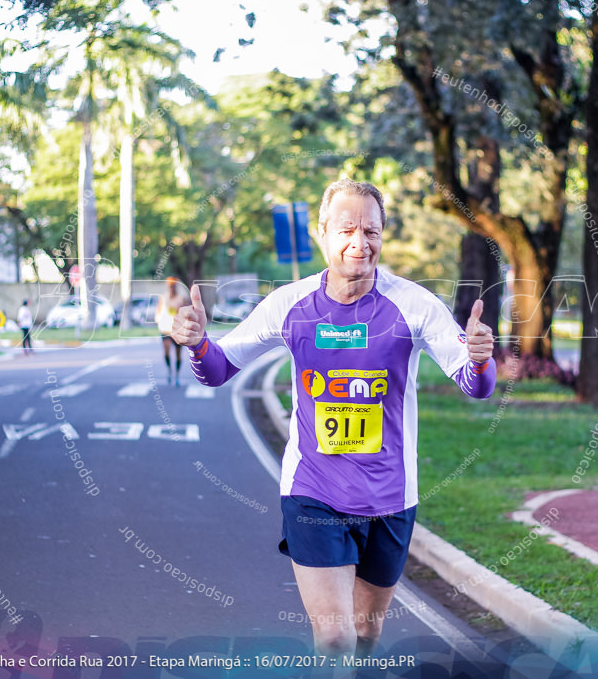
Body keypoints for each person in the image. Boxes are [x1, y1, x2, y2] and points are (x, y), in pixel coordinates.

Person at [172, 179, 496, 659]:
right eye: (346, 229)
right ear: (322, 232)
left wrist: (480, 360)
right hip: (314, 492)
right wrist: (199, 343)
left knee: (364, 638)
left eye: (371, 230)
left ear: (384, 235)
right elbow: (219, 369)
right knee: (336, 640)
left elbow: (475, 386)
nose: (359, 243)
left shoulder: (414, 305)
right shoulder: (291, 304)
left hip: (389, 497)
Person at [156, 277, 191, 385]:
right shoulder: (164, 297)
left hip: (177, 330)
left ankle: (177, 374)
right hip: (165, 329)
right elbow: (158, 311)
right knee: (166, 353)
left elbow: (187, 311)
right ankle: (169, 370)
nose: (172, 288)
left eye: (173, 286)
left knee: (178, 354)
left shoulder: (182, 298)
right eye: (170, 286)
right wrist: (158, 319)